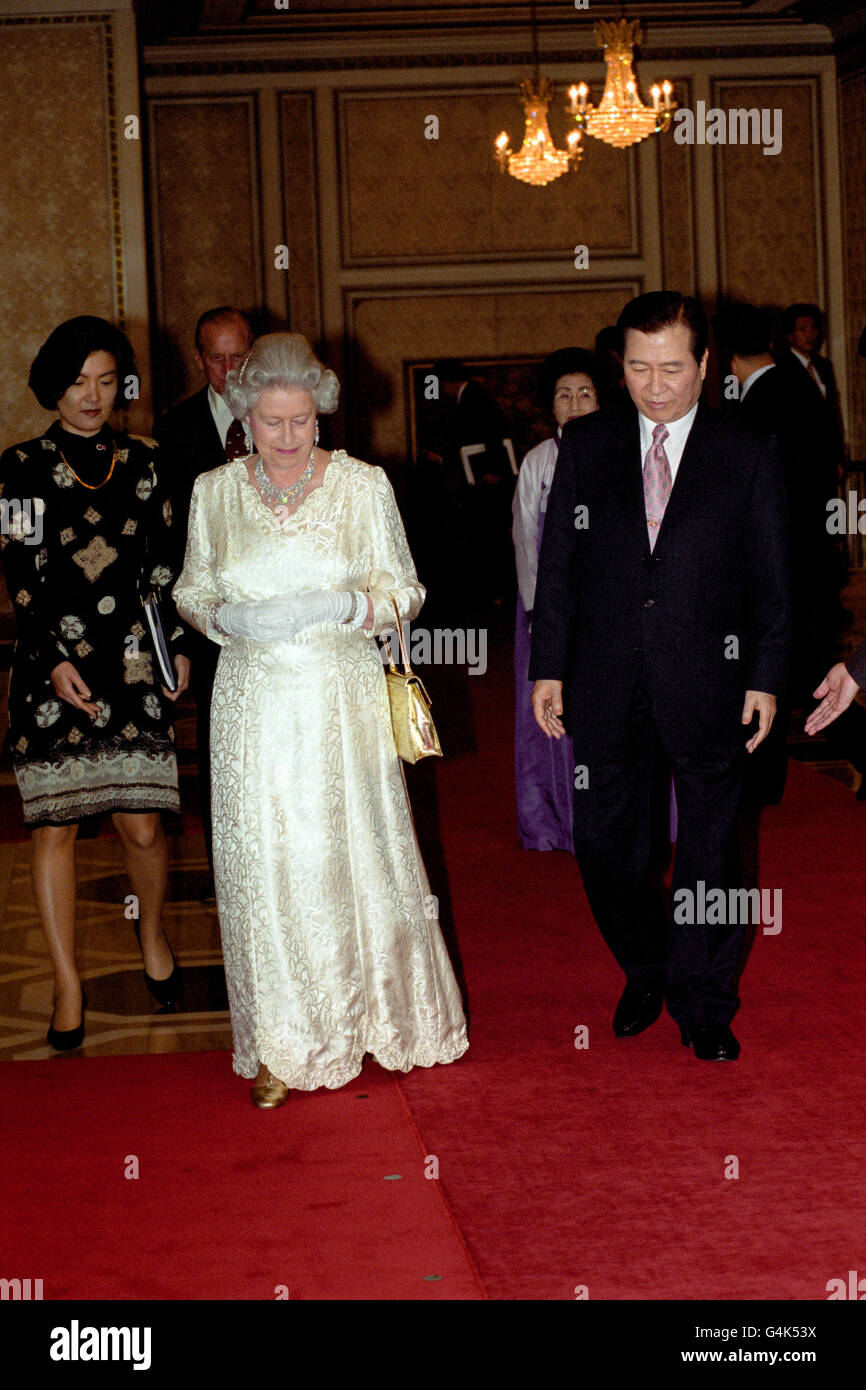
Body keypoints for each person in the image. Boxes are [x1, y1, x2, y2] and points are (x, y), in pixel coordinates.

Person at [173, 332, 468, 1108]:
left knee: (352, 858)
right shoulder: (215, 492)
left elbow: (406, 592)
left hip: (340, 699)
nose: (288, 438)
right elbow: (189, 592)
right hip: (250, 701)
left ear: (320, 413)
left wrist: (346, 605)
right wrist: (226, 622)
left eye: (302, 422)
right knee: (266, 869)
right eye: (271, 423)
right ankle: (282, 1042)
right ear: (245, 417)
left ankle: (383, 1015)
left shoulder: (363, 487)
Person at [529, 291, 790, 1063]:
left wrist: (767, 675)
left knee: (713, 850)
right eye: (639, 368)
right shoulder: (588, 443)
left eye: (672, 367)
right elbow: (561, 568)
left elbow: (776, 580)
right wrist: (548, 667)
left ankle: (705, 1002)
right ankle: (649, 967)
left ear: (704, 365)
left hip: (714, 677)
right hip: (604, 678)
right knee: (605, 848)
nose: (655, 385)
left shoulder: (747, 449)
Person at [0, 316, 190, 1050]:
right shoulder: (17, 466)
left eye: (107, 381)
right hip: (53, 664)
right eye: (79, 381)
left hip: (135, 661)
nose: (93, 395)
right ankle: (68, 984)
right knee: (55, 829)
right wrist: (52, 659)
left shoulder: (147, 462)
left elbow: (168, 567)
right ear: (54, 384)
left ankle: (153, 939)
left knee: (142, 823)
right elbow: (19, 576)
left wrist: (174, 655)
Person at [715, 303, 866, 802]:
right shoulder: (796, 386)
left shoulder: (759, 404)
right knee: (795, 673)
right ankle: (762, 778)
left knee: (786, 672)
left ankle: (760, 781)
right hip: (806, 560)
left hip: (783, 568)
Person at [154, 307, 254, 896]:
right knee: (222, 754)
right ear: (199, 360)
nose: (228, 368)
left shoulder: (287, 419)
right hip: (208, 623)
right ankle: (232, 881)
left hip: (280, 619)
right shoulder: (172, 431)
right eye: (216, 357)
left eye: (239, 355)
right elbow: (168, 545)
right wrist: (180, 640)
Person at [512, 348, 599, 851]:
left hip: (611, 619)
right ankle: (557, 819)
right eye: (564, 395)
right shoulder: (538, 463)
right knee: (555, 718)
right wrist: (537, 616)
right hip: (550, 617)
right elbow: (526, 541)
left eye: (585, 393)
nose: (574, 402)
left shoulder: (625, 455)